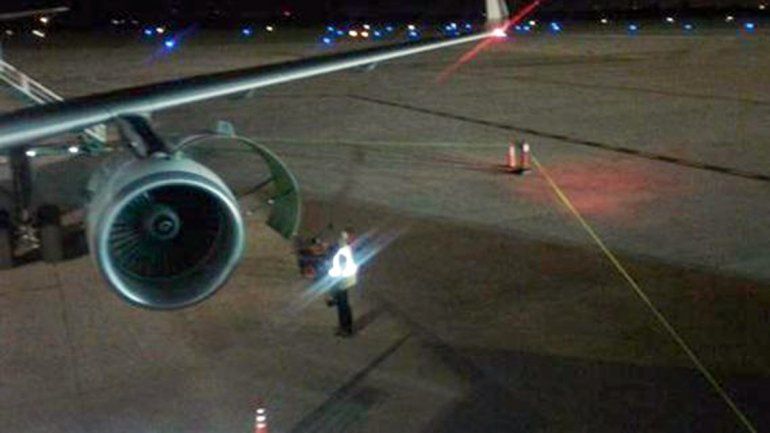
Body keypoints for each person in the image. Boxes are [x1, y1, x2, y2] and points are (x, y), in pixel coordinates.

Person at [327, 230, 357, 337]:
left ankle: (346, 328)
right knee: (342, 304)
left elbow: (342, 266)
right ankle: (344, 326)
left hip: (341, 280)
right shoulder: (346, 249)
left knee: (343, 305)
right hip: (343, 279)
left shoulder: (345, 250)